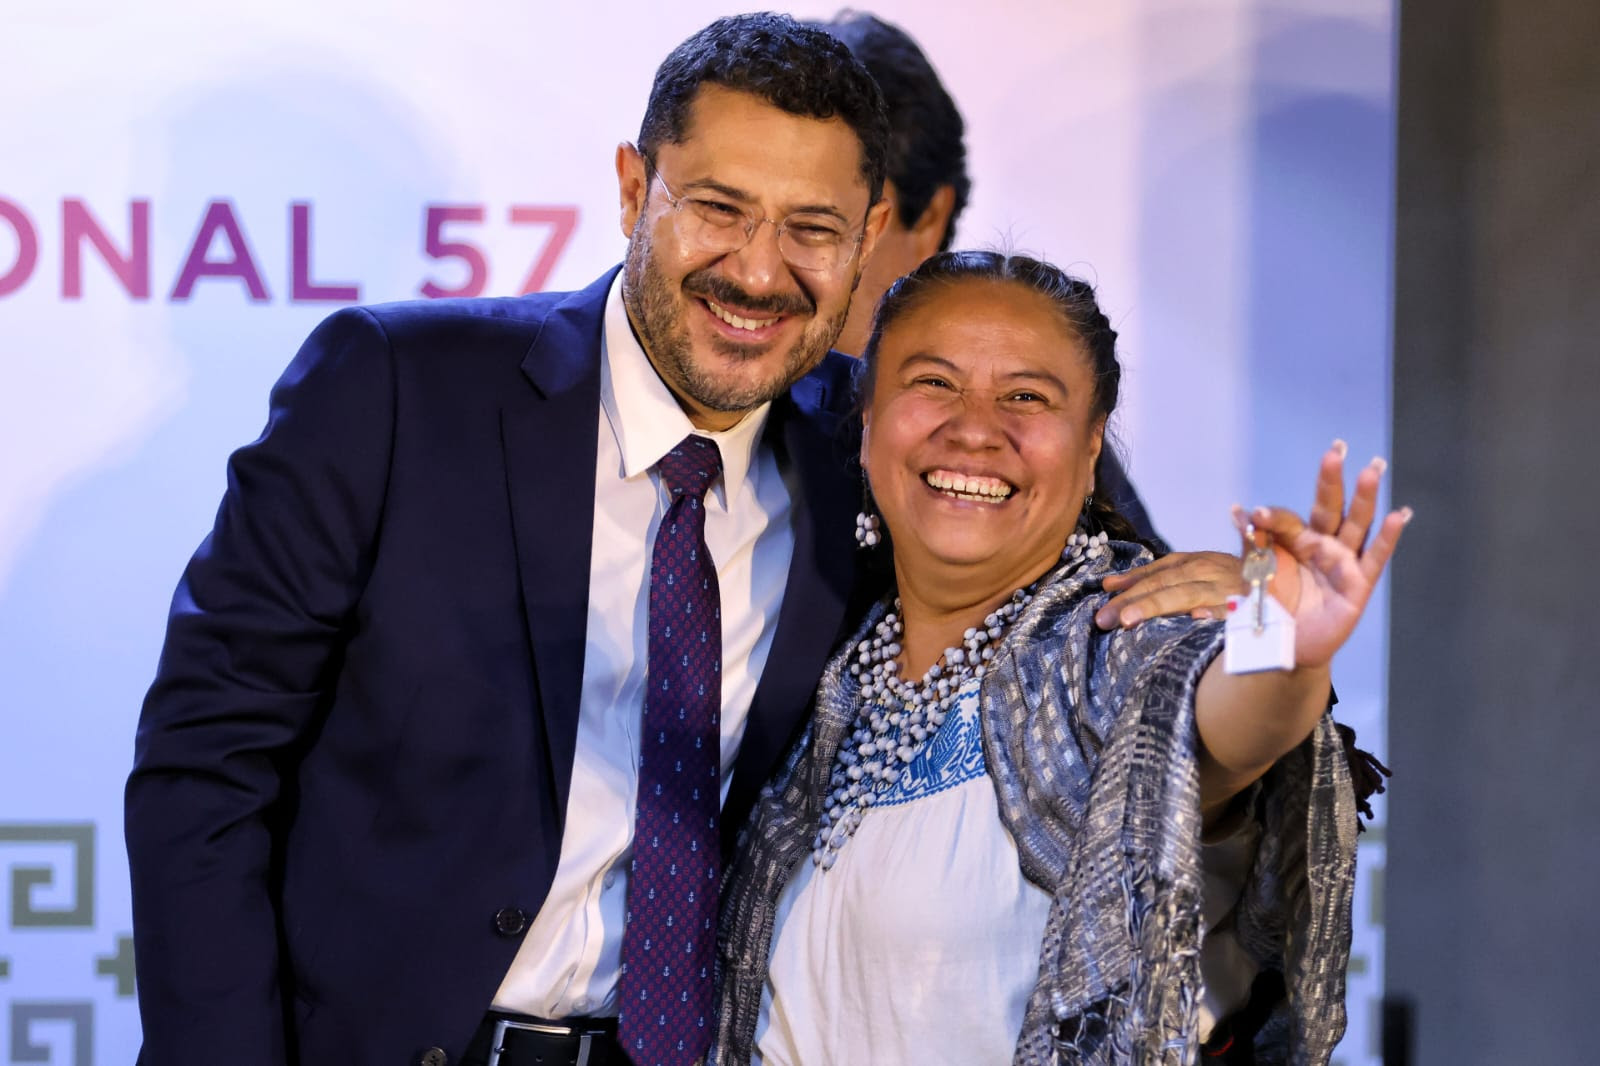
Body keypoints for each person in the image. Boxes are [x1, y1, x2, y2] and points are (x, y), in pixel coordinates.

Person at [124, 15, 896, 1066]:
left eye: (812, 228)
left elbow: (1051, 526)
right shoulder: (393, 387)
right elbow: (205, 764)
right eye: (719, 209)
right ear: (633, 188)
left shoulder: (874, 448)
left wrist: (1153, 603)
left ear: (870, 233)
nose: (759, 274)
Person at [712, 251, 1408, 1065]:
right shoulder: (820, 661)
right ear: (867, 424)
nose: (975, 428)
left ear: (1090, 447)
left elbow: (1213, 734)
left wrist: (1282, 649)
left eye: (1026, 397)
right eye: (933, 382)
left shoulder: (1118, 642)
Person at [807, 10, 1165, 549]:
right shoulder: (724, 408)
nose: (765, 269)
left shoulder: (1039, 448)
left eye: (822, 221)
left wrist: (1258, 599)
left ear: (928, 217)